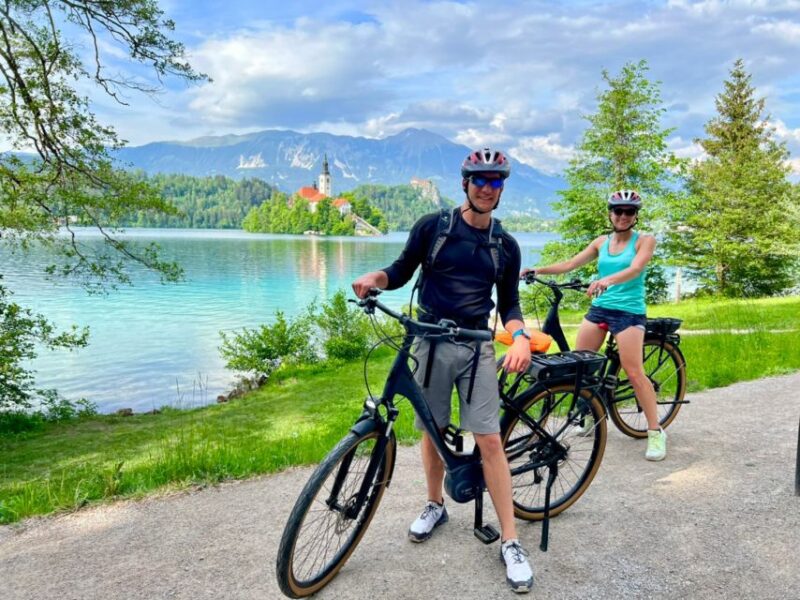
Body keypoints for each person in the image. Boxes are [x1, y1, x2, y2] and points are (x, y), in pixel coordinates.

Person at [352, 148, 535, 593]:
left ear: (502, 188)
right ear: (465, 184)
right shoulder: (434, 228)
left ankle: (510, 540)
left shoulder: (504, 245)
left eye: (496, 182)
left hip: (476, 346)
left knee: (489, 439)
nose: (488, 188)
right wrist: (376, 277)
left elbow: (508, 303)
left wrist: (522, 336)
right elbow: (400, 269)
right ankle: (435, 504)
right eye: (480, 180)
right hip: (429, 340)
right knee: (431, 430)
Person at [523, 190, 667, 461]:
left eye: (629, 212)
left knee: (635, 372)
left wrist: (606, 281)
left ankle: (656, 431)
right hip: (600, 308)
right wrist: (537, 270)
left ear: (635, 216)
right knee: (580, 367)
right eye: (618, 211)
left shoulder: (644, 241)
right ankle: (590, 416)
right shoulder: (601, 242)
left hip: (629, 313)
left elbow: (636, 269)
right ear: (610, 213)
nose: (623, 216)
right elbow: (570, 263)